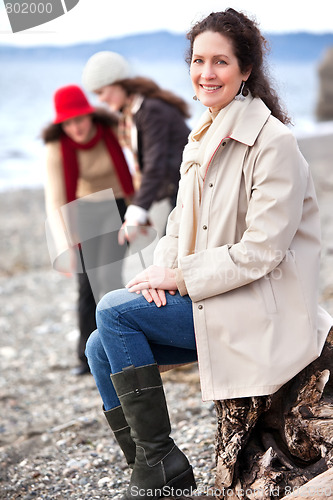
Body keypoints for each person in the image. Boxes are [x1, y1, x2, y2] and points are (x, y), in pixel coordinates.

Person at [85, 8, 333, 499]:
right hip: (219, 297)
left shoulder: (274, 142)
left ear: (246, 70)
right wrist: (161, 269)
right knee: (98, 345)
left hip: (264, 307)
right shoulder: (201, 136)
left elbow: (263, 251)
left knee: (113, 311)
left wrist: (183, 277)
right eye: (198, 61)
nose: (206, 73)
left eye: (220, 62)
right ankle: (155, 473)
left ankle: (161, 464)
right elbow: (179, 223)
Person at [42, 84, 134, 376]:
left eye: (79, 119)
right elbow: (56, 199)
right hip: (82, 212)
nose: (75, 128)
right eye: (67, 123)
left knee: (109, 277)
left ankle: (121, 347)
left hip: (118, 207)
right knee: (86, 285)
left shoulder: (112, 130)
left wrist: (138, 214)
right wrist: (65, 244)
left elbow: (137, 165)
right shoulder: (56, 147)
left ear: (90, 115)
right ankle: (86, 356)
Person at [81, 51, 191, 241]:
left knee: (170, 251)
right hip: (177, 192)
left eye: (101, 92)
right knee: (169, 252)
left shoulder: (151, 110)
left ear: (118, 83)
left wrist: (136, 213)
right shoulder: (134, 112)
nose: (100, 100)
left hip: (188, 192)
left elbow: (154, 164)